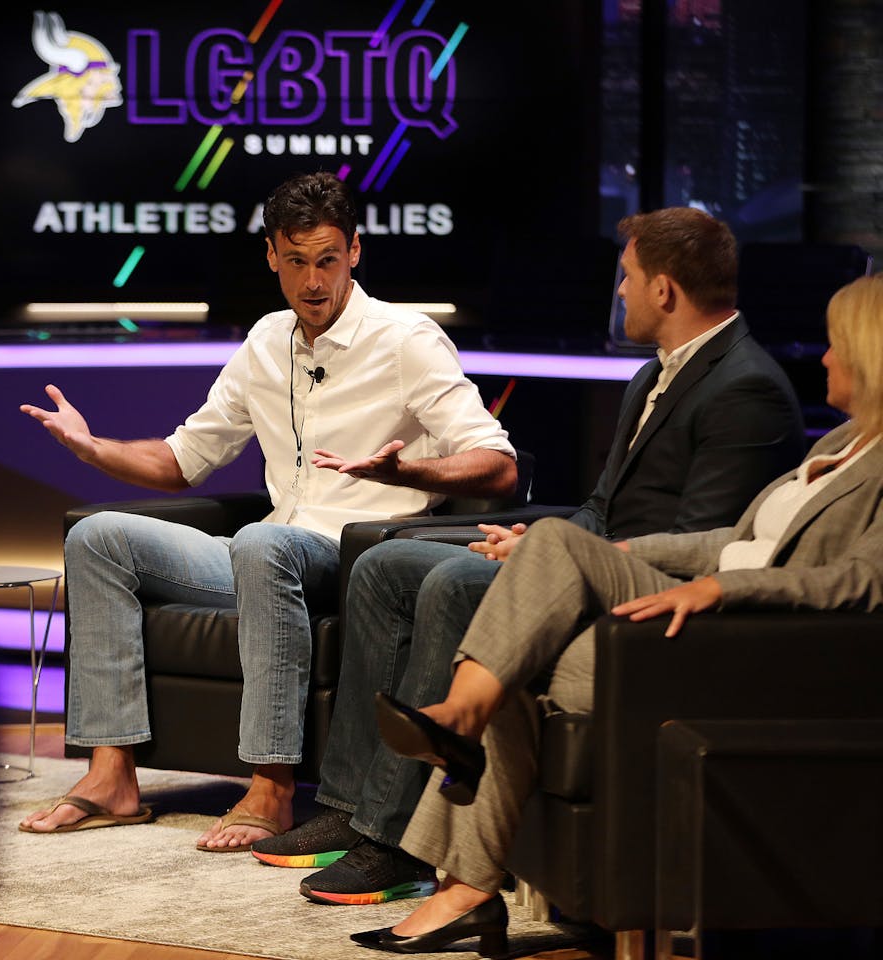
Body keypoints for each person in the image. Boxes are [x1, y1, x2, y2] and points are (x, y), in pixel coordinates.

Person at [251, 206, 806, 903]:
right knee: (386, 565)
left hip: (643, 588)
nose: (621, 293)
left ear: (665, 290)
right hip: (583, 557)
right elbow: (602, 509)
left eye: (628, 278)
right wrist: (534, 541)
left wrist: (562, 556)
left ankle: (395, 839)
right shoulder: (653, 375)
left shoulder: (744, 387)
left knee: (452, 584)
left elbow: (706, 538)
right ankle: (345, 801)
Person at [351, 271, 883, 955]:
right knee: (517, 648)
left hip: (748, 644)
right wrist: (617, 551)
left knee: (525, 621)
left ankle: (456, 740)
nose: (826, 358)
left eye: (838, 345)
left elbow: (864, 581)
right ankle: (463, 883)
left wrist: (724, 592)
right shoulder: (833, 449)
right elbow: (732, 542)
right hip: (699, 623)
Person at [17, 170, 519, 850]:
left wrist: (410, 469)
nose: (314, 283)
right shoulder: (265, 341)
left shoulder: (407, 339)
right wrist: (92, 447)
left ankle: (273, 785)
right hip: (267, 550)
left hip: (354, 555)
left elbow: (498, 463)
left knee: (260, 543)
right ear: (271, 257)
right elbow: (182, 458)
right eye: (296, 263)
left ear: (355, 252)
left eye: (328, 261)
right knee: (102, 536)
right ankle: (112, 776)